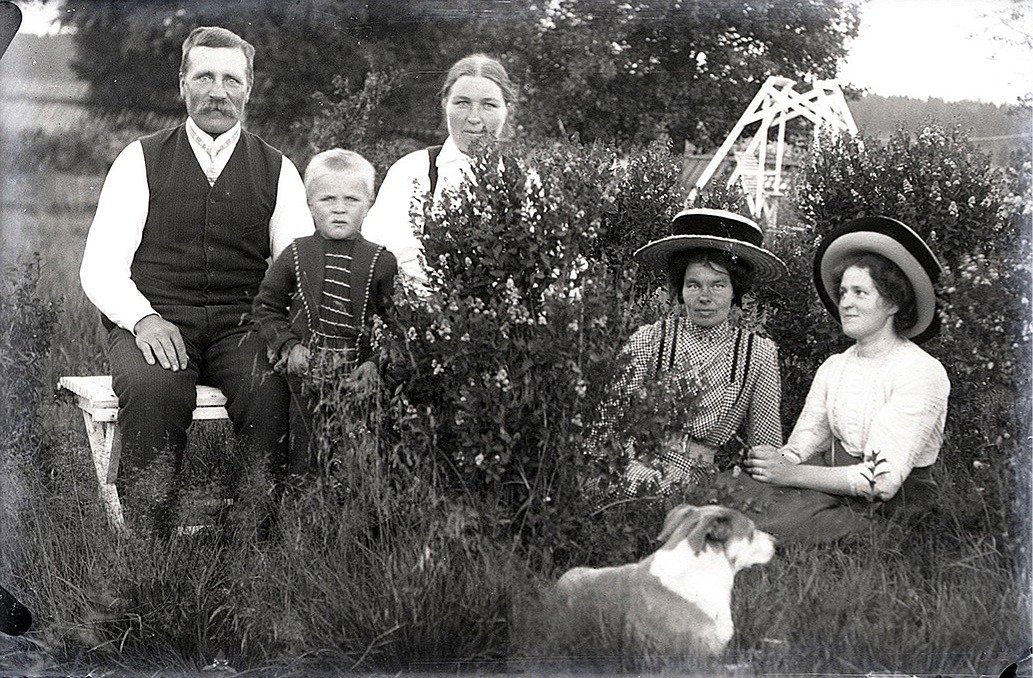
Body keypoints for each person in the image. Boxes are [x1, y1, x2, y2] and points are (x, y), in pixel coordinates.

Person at [79, 26, 314, 536]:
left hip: (243, 325)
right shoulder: (139, 159)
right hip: (157, 318)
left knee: (271, 387)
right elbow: (98, 265)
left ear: (249, 90)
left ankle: (254, 541)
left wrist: (280, 333)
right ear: (182, 82)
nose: (217, 91)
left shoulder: (278, 170)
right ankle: (149, 545)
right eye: (204, 75)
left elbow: (296, 269)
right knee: (153, 388)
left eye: (231, 79)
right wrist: (142, 318)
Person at [728, 216, 950, 543]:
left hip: (891, 503)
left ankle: (805, 528)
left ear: (892, 302)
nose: (845, 302)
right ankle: (779, 521)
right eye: (843, 292)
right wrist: (774, 464)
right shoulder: (835, 366)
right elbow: (803, 444)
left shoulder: (920, 370)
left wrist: (791, 474)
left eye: (860, 292)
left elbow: (881, 482)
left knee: (771, 515)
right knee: (731, 489)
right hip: (831, 488)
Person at [590, 208, 787, 496]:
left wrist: (765, 486)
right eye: (693, 284)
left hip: (697, 476)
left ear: (735, 291)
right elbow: (608, 422)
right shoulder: (651, 338)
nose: (704, 297)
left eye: (718, 285)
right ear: (680, 289)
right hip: (632, 461)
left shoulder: (757, 353)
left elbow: (766, 444)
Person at [251, 149, 397, 479]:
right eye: (327, 199)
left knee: (356, 464)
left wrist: (375, 364)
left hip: (359, 384)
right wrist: (289, 346)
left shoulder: (381, 261)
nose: (340, 208)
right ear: (309, 203)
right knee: (306, 462)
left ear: (369, 203)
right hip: (307, 382)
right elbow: (266, 308)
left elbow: (393, 326)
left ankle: (354, 526)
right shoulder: (296, 254)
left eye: (352, 199)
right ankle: (304, 526)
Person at [361, 53, 517, 288]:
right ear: (445, 104)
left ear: (507, 109)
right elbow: (377, 258)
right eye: (462, 103)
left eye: (489, 105)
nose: (474, 118)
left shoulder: (525, 180)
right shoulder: (411, 171)